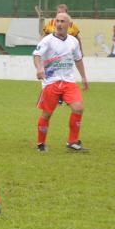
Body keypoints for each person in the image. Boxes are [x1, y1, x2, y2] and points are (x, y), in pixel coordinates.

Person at [33, 12, 89, 153]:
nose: (58, 24)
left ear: (69, 25)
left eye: (62, 21)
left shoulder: (73, 41)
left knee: (78, 108)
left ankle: (73, 142)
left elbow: (78, 59)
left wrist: (83, 77)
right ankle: (41, 144)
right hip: (51, 82)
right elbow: (36, 55)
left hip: (68, 82)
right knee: (47, 114)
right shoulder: (47, 40)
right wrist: (39, 68)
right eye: (57, 21)